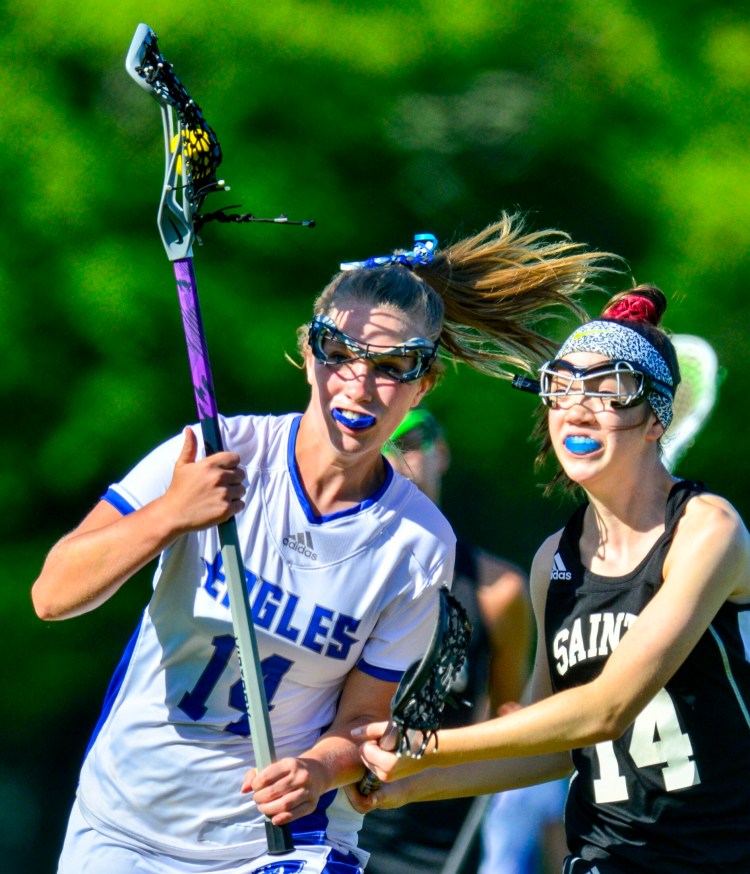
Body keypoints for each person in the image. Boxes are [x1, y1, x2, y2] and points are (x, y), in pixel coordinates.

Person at [31, 213, 609, 874]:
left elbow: (361, 720)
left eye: (393, 366)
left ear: (424, 384)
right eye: (341, 354)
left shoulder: (419, 545)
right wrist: (169, 515)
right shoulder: (212, 451)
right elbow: (53, 594)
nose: (359, 386)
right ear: (310, 353)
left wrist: (315, 768)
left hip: (282, 843)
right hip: (124, 825)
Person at [353, 285, 750, 873]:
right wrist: (415, 785)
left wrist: (422, 748)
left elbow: (606, 710)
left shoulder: (707, 531)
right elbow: (558, 745)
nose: (577, 408)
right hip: (601, 859)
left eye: (606, 389)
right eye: (561, 387)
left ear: (654, 421)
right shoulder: (553, 559)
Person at [358, 407, 532, 874]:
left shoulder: (498, 592)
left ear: (442, 453)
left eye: (412, 442)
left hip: (440, 842)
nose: (400, 459)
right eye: (385, 445)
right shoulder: (341, 576)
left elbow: (506, 725)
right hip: (341, 822)